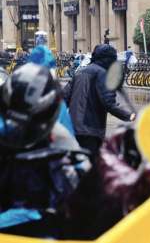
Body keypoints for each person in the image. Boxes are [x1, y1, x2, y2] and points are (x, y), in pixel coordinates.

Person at [0, 64, 90, 237]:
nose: (19, 129)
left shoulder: (61, 141)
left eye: (27, 123)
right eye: (13, 119)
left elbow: (82, 191)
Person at [64, 44, 135, 157]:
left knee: (78, 166)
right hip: (90, 131)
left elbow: (64, 98)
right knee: (92, 169)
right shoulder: (103, 74)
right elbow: (109, 103)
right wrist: (130, 115)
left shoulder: (79, 73)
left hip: (72, 129)